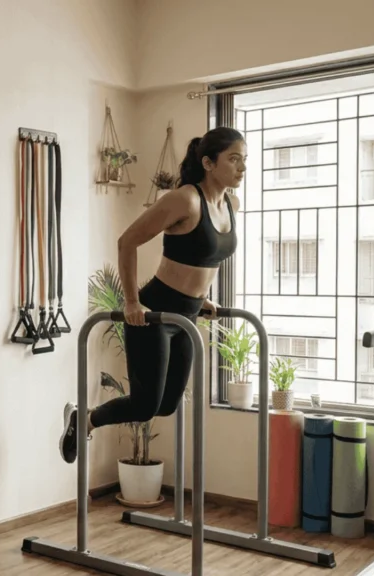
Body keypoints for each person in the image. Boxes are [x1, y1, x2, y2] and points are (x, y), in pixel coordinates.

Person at [60, 127, 245, 464]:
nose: (242, 167)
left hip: (188, 315)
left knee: (168, 405)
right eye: (234, 159)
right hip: (155, 312)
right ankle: (84, 419)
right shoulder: (185, 199)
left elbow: (208, 255)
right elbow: (127, 242)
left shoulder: (230, 205)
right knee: (144, 407)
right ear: (208, 163)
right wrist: (132, 302)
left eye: (244, 160)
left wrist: (201, 297)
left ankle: (84, 418)